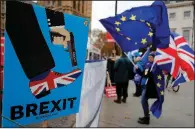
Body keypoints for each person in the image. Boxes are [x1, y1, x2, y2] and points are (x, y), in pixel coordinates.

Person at [135, 52, 158, 125]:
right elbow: (143, 74)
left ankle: (146, 119)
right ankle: (146, 116)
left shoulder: (155, 66)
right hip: (143, 85)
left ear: (154, 58)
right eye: (149, 57)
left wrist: (149, 73)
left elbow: (152, 75)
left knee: (143, 101)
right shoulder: (148, 65)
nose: (149, 58)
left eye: (151, 57)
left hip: (148, 87)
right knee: (144, 101)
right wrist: (138, 69)